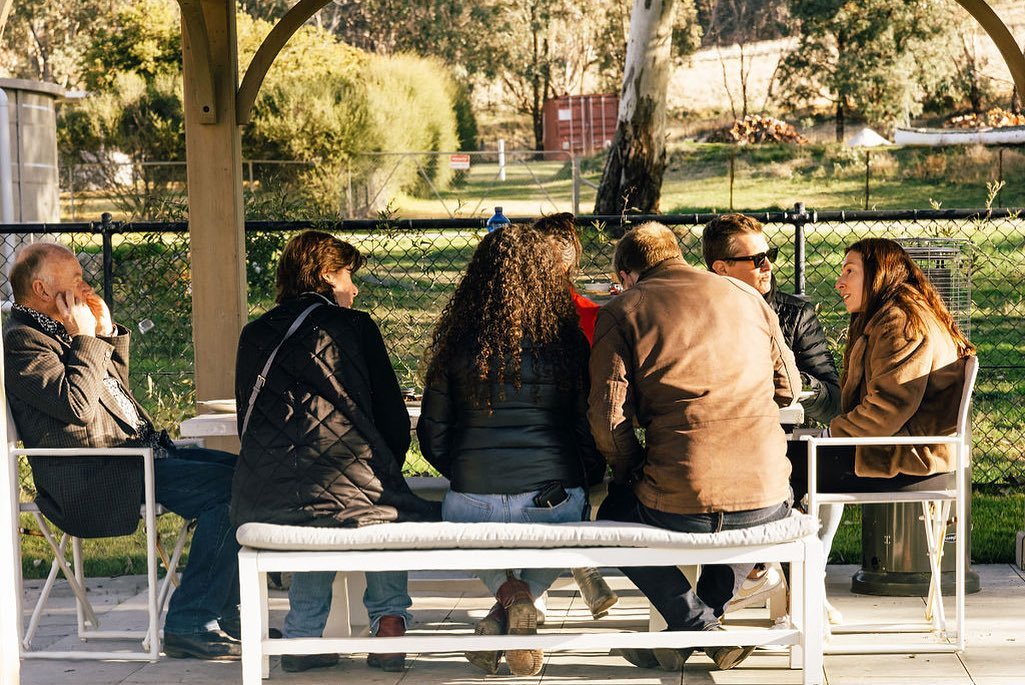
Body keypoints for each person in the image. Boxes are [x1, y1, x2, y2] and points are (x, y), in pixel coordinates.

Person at [4, 242, 241, 660]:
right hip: (99, 474)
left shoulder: (60, 329)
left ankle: (226, 612)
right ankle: (191, 622)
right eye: (74, 277)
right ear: (41, 288)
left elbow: (113, 394)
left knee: (249, 473)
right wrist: (84, 338)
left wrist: (105, 333)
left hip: (138, 456)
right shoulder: (23, 341)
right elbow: (76, 406)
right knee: (228, 493)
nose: (85, 284)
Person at [588, 222, 800, 672]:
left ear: (627, 275)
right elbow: (790, 388)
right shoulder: (748, 298)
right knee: (759, 509)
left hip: (679, 500)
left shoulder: (622, 311)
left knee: (611, 519)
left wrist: (632, 468)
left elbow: (608, 420)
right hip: (768, 499)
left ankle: (694, 626)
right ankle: (701, 625)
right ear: (677, 254)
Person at [232, 230, 440, 674]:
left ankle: (304, 636)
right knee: (381, 501)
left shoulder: (253, 334)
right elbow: (391, 418)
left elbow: (246, 422)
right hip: (347, 489)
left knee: (313, 501)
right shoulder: (357, 327)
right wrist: (385, 466)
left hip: (264, 494)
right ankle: (388, 624)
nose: (354, 287)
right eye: (348, 275)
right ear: (327, 274)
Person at [417, 224, 605, 677]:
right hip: (551, 500)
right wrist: (589, 476)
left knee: (463, 524)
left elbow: (432, 437)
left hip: (470, 504)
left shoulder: (456, 346)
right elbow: (585, 428)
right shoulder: (567, 343)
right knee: (570, 527)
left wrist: (466, 471)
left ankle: (505, 608)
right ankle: (517, 604)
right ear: (545, 276)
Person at [701, 213, 844, 622]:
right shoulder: (700, 314)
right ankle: (751, 583)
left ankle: (796, 584)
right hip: (722, 450)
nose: (768, 265)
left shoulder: (794, 315)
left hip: (787, 446)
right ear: (721, 269)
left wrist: (792, 382)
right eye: (757, 258)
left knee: (818, 480)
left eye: (771, 255)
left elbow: (832, 399)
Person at [795, 238, 975, 561]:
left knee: (786, 467)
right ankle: (800, 583)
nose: (839, 283)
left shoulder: (900, 321)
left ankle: (780, 580)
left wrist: (830, 436)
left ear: (878, 274)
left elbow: (887, 409)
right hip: (896, 450)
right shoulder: (892, 314)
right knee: (793, 461)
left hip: (907, 460)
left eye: (849, 271)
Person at [531, 212, 618, 620]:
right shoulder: (591, 317)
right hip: (578, 456)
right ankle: (576, 558)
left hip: (515, 458)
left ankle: (524, 596)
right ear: (572, 264)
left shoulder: (500, 322)